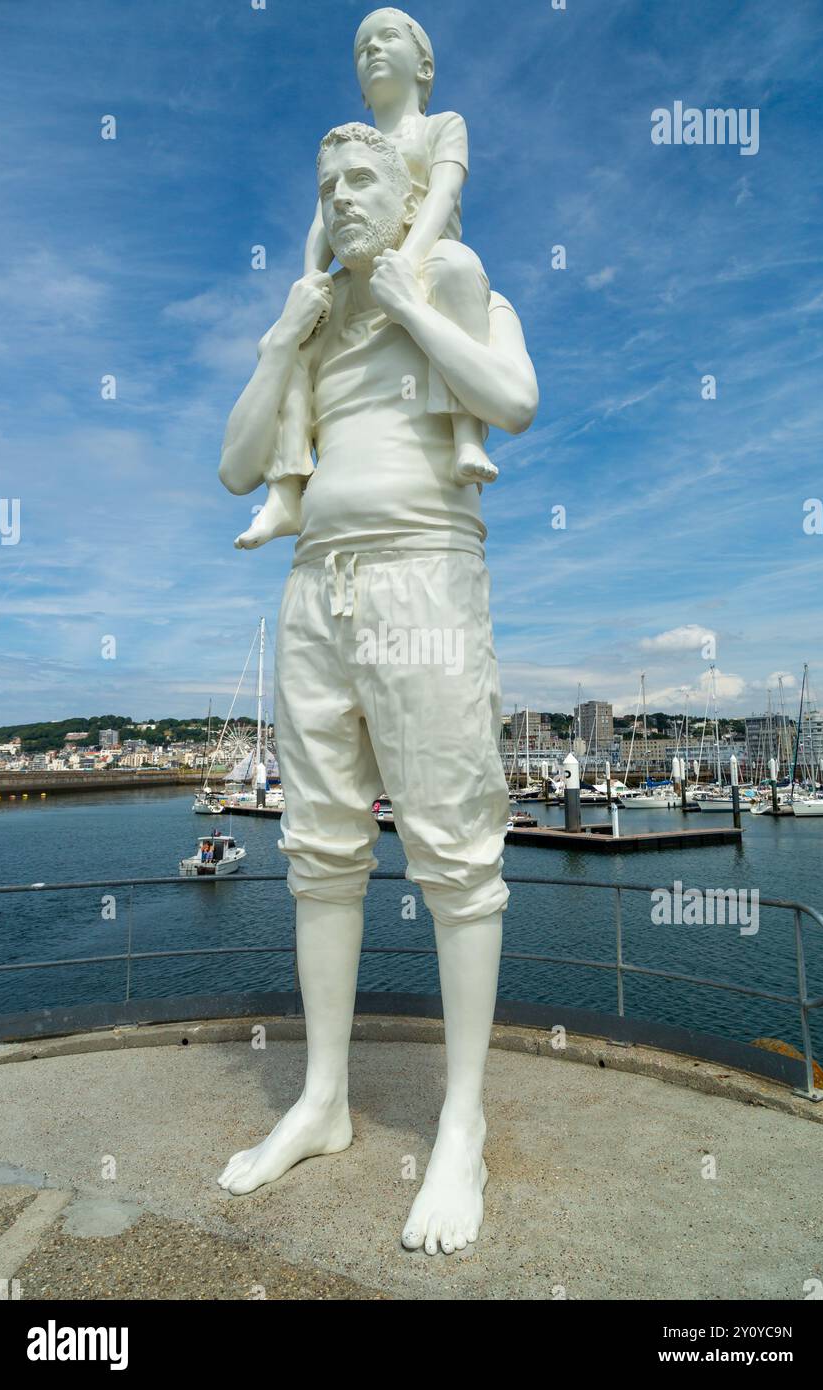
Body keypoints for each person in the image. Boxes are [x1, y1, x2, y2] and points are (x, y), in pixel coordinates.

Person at [217, 121, 537, 1256]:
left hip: (424, 580)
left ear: (408, 191)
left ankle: (461, 1123)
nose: (342, 196)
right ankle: (323, 1097)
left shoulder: (455, 284)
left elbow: (511, 400)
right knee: (318, 853)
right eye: (326, 184)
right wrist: (278, 343)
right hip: (315, 592)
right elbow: (238, 465)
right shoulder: (311, 320)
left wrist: (406, 301)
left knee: (453, 853)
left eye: (363, 178)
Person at [234, 9, 497, 552]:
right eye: (361, 47)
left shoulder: (442, 126)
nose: (372, 51)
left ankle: (467, 433)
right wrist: (311, 285)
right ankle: (286, 489)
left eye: (387, 38)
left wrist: (411, 257)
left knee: (456, 264)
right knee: (294, 345)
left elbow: (441, 195)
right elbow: (321, 226)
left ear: (424, 65)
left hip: (423, 270)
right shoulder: (348, 149)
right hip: (359, 274)